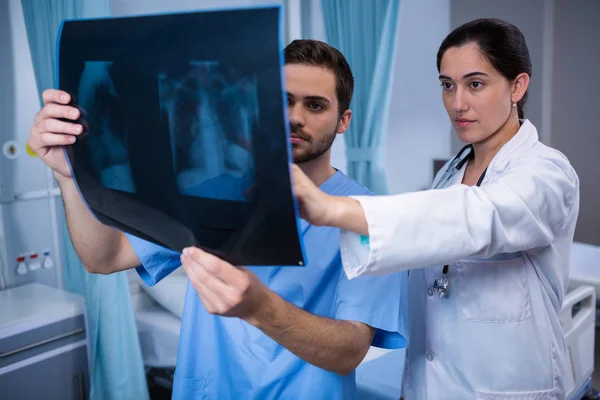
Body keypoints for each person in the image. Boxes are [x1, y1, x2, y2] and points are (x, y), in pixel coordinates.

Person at [27, 39, 406, 399]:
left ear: (344, 120)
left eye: (316, 106)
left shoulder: (369, 216)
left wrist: (260, 308)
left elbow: (349, 351)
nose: (294, 117)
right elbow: (103, 257)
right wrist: (68, 174)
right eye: (282, 101)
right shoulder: (213, 190)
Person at [292, 18, 580, 399]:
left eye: (475, 84)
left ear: (517, 86)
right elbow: (423, 240)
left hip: (509, 388)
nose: (457, 103)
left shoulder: (546, 172)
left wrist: (332, 209)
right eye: (448, 85)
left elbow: (478, 216)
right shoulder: (451, 172)